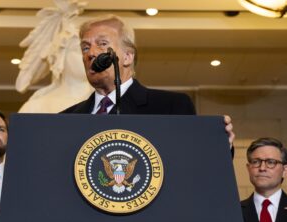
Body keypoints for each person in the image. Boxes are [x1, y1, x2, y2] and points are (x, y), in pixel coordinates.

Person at [61, 15, 235, 148]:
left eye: (102, 44)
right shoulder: (64, 120)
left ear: (127, 57)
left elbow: (193, 164)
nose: (91, 53)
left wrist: (218, 147)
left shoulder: (172, 107)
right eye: (85, 47)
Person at [241, 137, 287, 222]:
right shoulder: (234, 212)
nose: (262, 168)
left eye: (271, 162)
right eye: (256, 162)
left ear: (285, 170)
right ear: (248, 168)